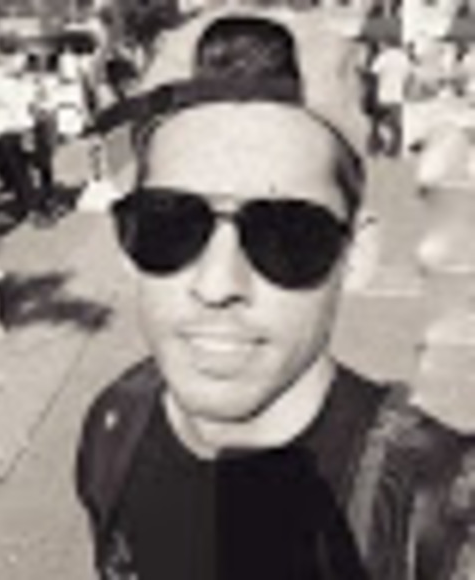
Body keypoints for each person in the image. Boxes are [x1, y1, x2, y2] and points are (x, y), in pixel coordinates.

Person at [75, 6, 474, 580]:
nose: (217, 285)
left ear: (357, 256)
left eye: (287, 234)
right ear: (125, 239)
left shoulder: (442, 511)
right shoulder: (115, 424)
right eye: (170, 224)